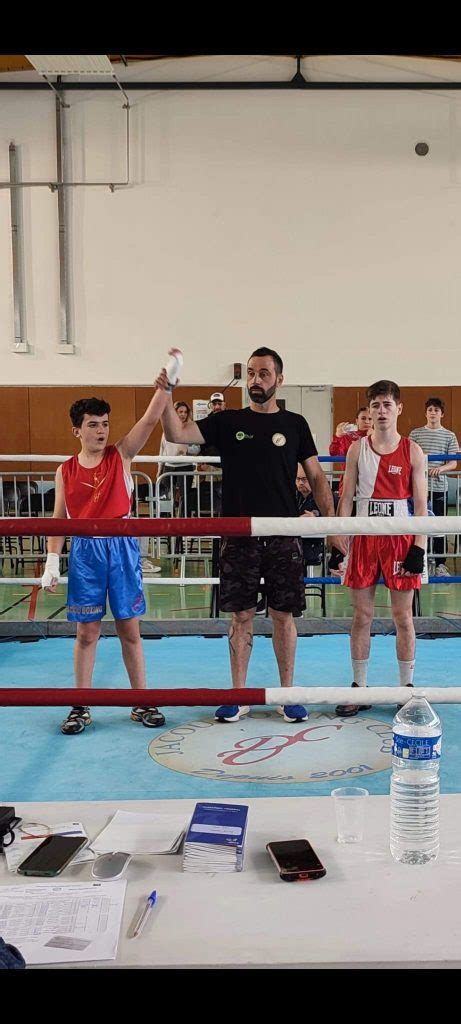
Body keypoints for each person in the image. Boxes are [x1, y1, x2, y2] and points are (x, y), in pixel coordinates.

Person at [157, 346, 345, 723]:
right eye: (251, 374)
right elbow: (176, 431)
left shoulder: (295, 424)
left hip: (283, 534)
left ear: (279, 379)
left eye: (263, 373)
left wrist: (333, 529)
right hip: (238, 535)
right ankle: (240, 695)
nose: (255, 380)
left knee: (283, 616)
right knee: (241, 616)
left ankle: (287, 694)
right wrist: (167, 391)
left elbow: (318, 478)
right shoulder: (227, 422)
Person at [41, 363, 174, 735]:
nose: (101, 431)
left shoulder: (122, 455)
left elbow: (149, 420)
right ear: (77, 430)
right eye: (93, 425)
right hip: (85, 553)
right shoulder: (65, 470)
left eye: (104, 424)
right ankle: (80, 705)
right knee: (87, 633)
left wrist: (167, 387)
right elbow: (57, 519)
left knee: (130, 629)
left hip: (121, 549)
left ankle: (142, 700)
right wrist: (52, 560)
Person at [335, 380, 427, 717]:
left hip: (401, 538)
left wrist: (418, 545)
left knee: (403, 615)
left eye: (387, 404)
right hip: (363, 535)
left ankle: (406, 688)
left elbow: (420, 504)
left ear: (399, 408)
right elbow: (345, 497)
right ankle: (359, 685)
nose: (381, 411)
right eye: (375, 405)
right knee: (362, 616)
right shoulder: (357, 449)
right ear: (369, 411)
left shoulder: (413, 450)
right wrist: (338, 538)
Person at [409, 398, 459, 577]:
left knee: (439, 526)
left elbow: (453, 463)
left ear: (442, 414)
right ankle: (417, 561)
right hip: (418, 488)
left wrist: (440, 469)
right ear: (425, 412)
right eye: (430, 409)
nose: (432, 413)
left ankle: (440, 564)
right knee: (416, 524)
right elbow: (408, 457)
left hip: (439, 487)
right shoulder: (415, 434)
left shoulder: (449, 435)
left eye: (436, 410)